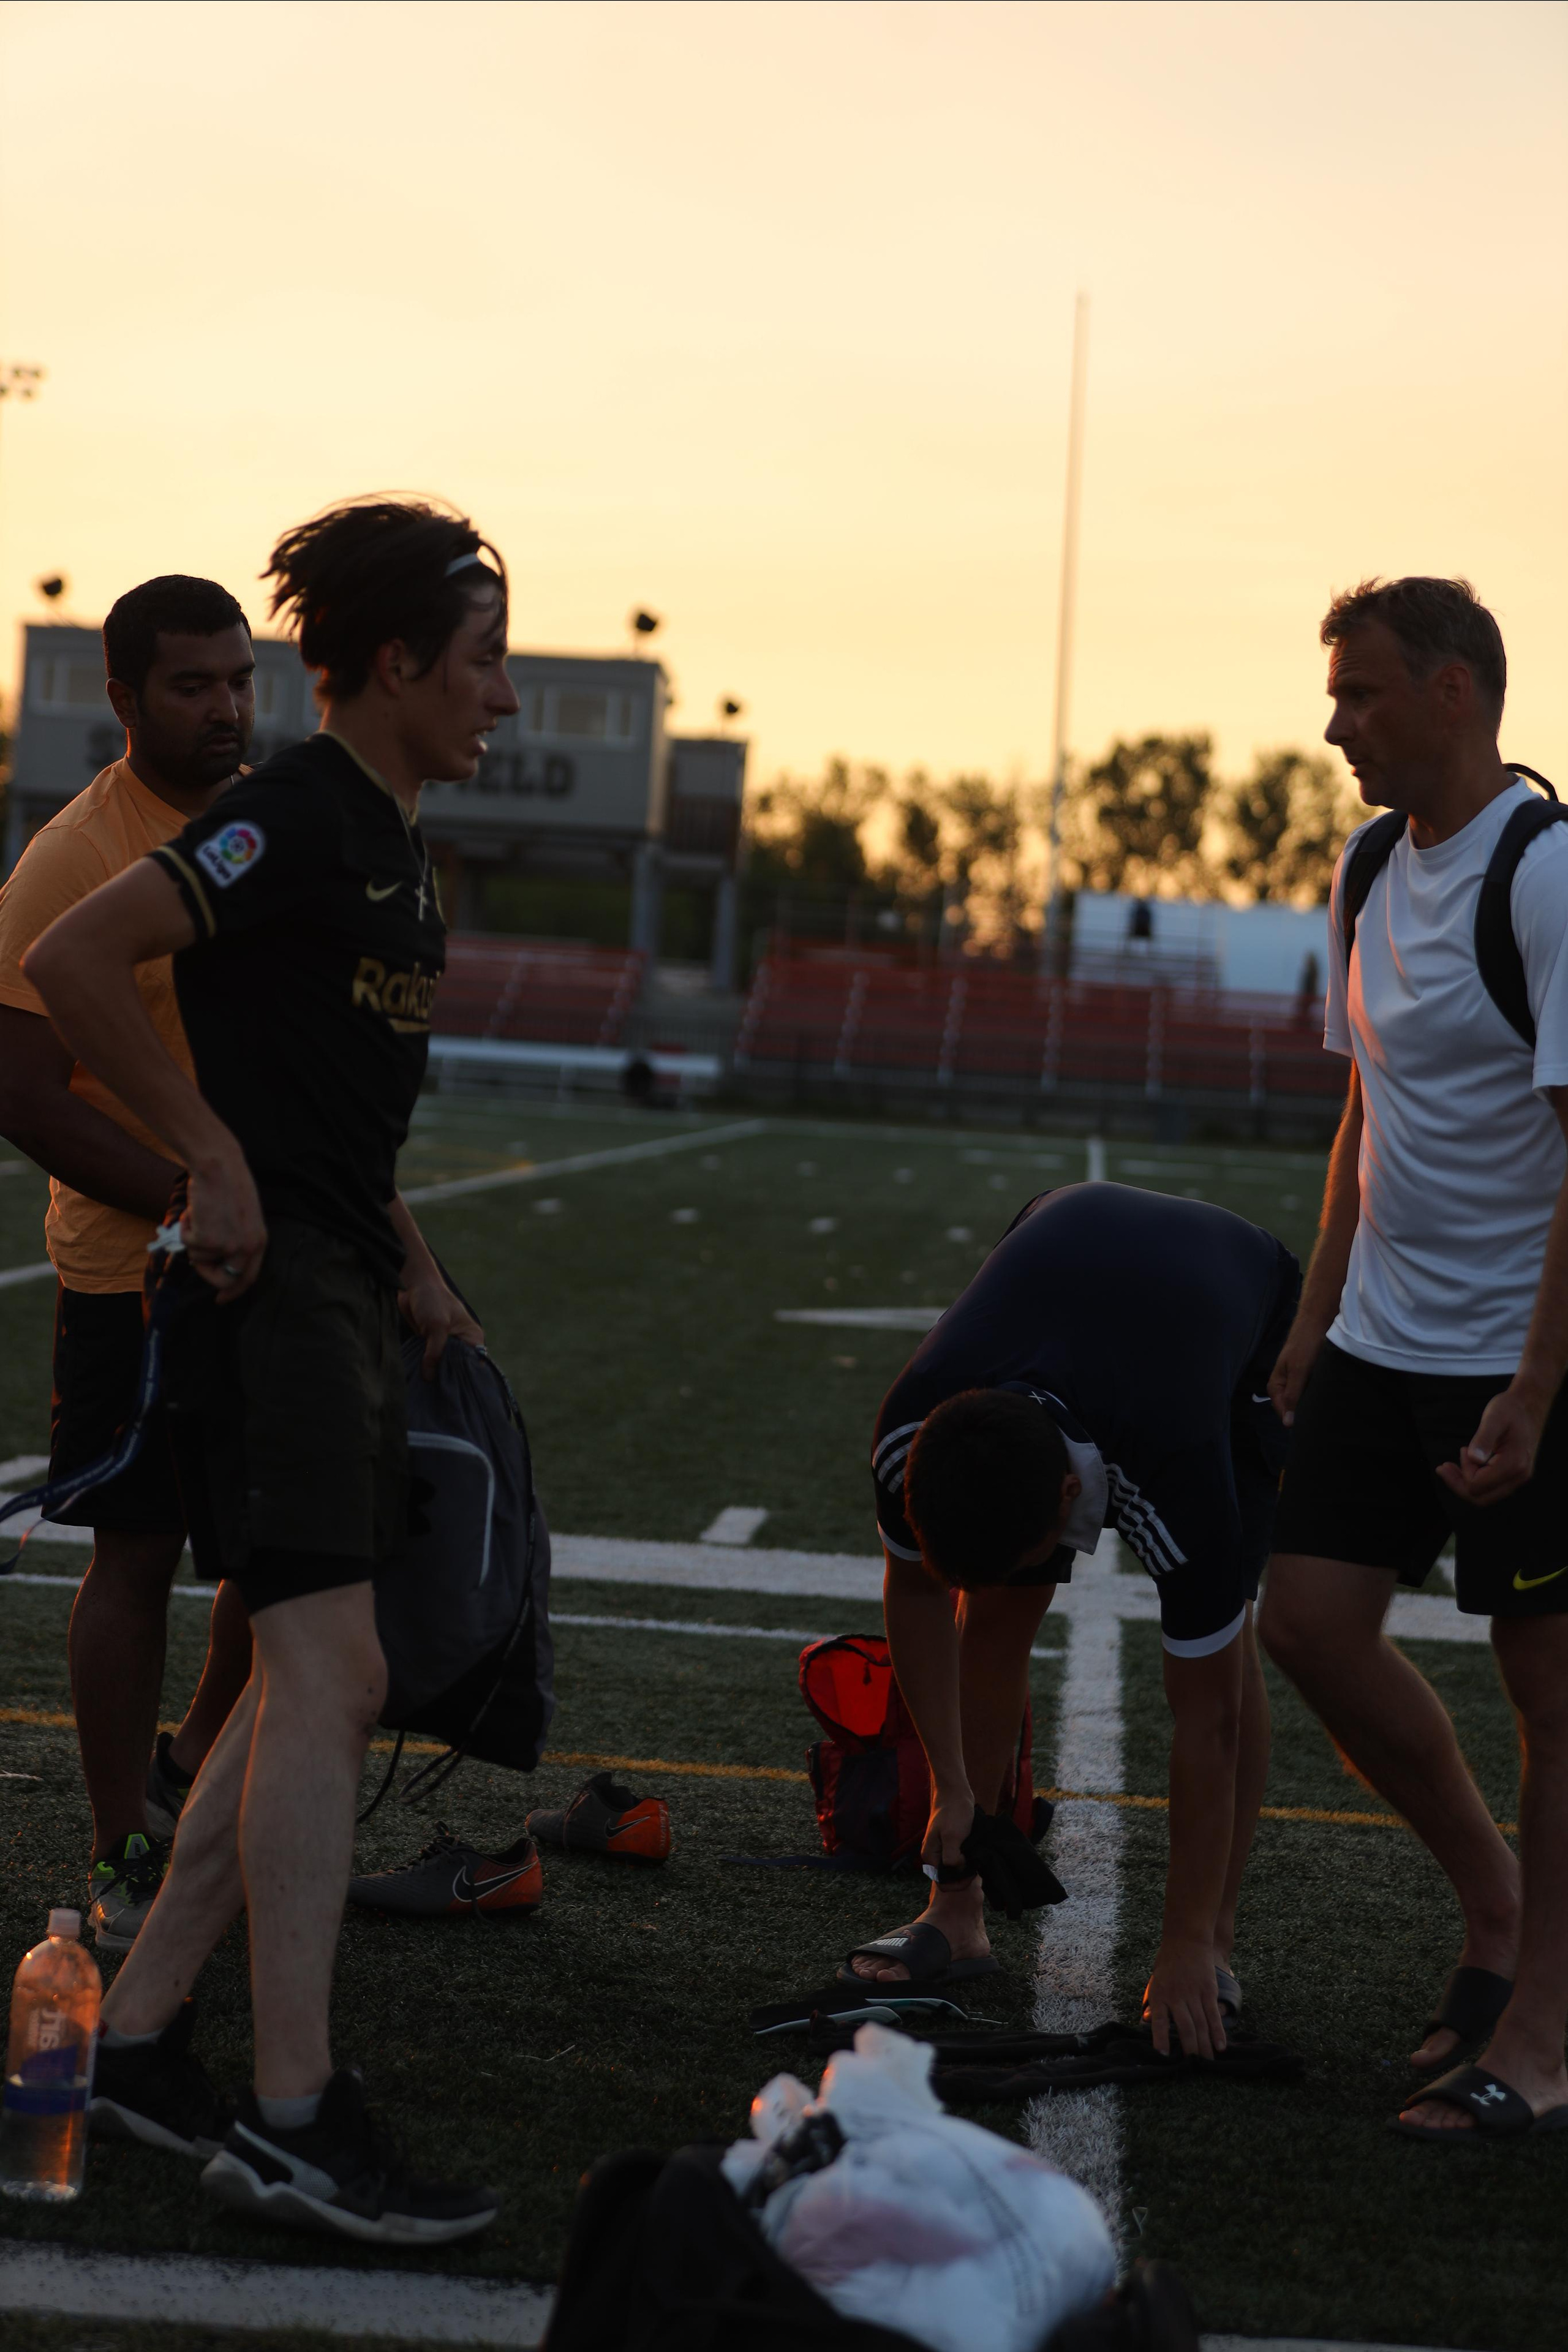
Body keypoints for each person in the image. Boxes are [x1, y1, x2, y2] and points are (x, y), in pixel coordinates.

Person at [25, 498, 520, 2239]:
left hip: (337, 1293)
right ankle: (297, 2111)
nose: (507, 700)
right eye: (482, 663)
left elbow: (330, 1102)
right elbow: (68, 963)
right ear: (392, 666)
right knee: (331, 1675)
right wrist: (200, 1161)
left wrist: (412, 1262)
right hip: (268, 1304)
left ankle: (147, 2036)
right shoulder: (295, 816)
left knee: (288, 1688)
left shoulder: (388, 838)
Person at [1260, 576, 1568, 2141]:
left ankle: (1543, 2030)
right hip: (1383, 1338)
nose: (1335, 727)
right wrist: (1314, 1322)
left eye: (1364, 695)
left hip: (1527, 1355)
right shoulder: (1368, 862)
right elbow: (1362, 1106)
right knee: (1304, 1625)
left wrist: (1531, 1384)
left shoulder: (1547, 874)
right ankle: (1497, 1910)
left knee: (1548, 1694)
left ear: (1454, 692)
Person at [852, 1181, 1300, 2060]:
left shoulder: (1175, 1466)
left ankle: (1214, 1945)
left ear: (1072, 1498)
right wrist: (953, 1787)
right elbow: (915, 1593)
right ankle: (957, 1908)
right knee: (996, 1615)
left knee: (1226, 1659)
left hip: (1239, 1297)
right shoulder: (916, 1423)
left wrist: (1178, 1944)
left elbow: (1207, 1721)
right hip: (1065, 1232)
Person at [0, 578, 257, 1948]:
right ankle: (118, 1850)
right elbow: (26, 1091)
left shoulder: (269, 820)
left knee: (288, 1564)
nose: (223, 711)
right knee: (138, 1556)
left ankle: (188, 1773)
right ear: (122, 700)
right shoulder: (71, 856)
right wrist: (188, 1192)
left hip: (279, 1250)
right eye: (190, 687)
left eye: (237, 683)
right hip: (134, 1274)